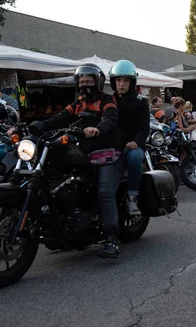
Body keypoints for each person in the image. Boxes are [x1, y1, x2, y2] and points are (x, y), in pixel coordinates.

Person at [35, 63, 121, 258]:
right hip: (84, 151)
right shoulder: (78, 103)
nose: (85, 85)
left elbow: (110, 118)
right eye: (82, 82)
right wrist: (37, 126)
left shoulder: (107, 99)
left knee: (105, 191)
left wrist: (98, 128)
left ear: (97, 82)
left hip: (106, 152)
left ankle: (112, 238)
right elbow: (59, 118)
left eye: (89, 81)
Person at [109, 60, 150, 245]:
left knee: (134, 157)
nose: (121, 84)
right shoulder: (108, 101)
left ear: (132, 83)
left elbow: (145, 127)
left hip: (133, 145)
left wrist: (137, 142)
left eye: (125, 81)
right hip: (113, 145)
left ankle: (132, 197)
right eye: (118, 80)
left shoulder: (141, 102)